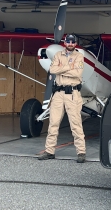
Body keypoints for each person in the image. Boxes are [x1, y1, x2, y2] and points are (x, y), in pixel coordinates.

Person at [38, 34, 86, 163]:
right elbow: (52, 69)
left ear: (75, 43)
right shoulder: (58, 54)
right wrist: (69, 67)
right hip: (58, 93)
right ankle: (49, 151)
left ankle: (81, 152)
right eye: (68, 41)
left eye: (73, 42)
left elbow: (78, 73)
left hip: (72, 93)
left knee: (75, 124)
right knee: (53, 123)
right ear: (65, 43)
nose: (70, 44)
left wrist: (61, 69)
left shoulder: (79, 56)